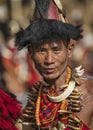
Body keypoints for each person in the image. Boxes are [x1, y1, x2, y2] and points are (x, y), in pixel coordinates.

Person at [15, 0, 93, 130]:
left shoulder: (89, 94)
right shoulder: (34, 103)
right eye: (41, 50)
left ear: (69, 50)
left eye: (56, 50)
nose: (49, 60)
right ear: (31, 52)